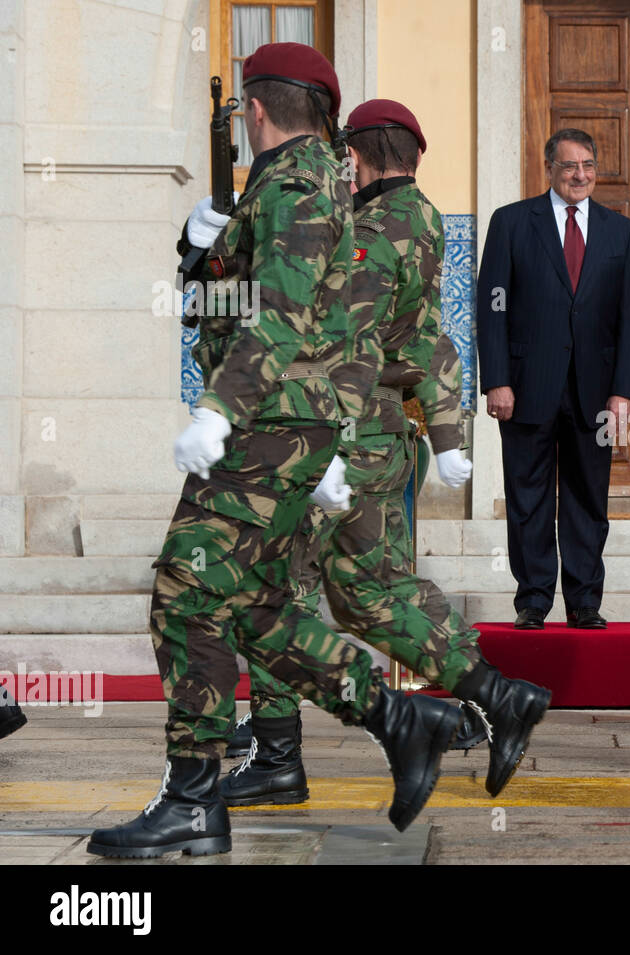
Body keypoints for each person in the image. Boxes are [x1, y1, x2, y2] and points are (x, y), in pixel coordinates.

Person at [87, 44, 461, 858]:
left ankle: (192, 797)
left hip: (269, 421)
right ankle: (399, 714)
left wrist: (220, 411)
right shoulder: (304, 181)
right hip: (292, 422)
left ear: (253, 110)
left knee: (185, 587)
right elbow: (238, 295)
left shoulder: (293, 185)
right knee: (253, 607)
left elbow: (281, 316)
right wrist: (198, 252)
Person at [223, 99, 551, 809]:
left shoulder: (373, 229)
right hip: (380, 431)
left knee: (269, 582)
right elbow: (429, 340)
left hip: (338, 432)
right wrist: (443, 432)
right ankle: (498, 697)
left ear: (359, 155)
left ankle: (278, 753)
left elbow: (334, 336)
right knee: (375, 590)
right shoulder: (425, 220)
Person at [476, 128, 630, 631]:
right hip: (527, 385)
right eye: (570, 166)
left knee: (588, 497)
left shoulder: (620, 230)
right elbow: (492, 306)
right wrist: (497, 380)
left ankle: (584, 600)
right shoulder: (511, 222)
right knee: (527, 497)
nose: (580, 175)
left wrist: (623, 391)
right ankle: (532, 600)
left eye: (589, 165)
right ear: (549, 167)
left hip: (595, 390)